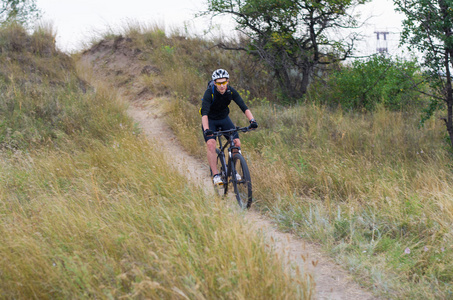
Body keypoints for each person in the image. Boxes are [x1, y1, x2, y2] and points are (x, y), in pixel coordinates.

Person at [201, 68, 258, 185]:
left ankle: (233, 171)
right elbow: (204, 114)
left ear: (227, 81)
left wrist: (252, 121)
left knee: (236, 143)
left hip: (224, 119)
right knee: (211, 144)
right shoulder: (209, 93)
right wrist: (207, 129)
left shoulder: (230, 91)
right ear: (215, 83)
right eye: (218, 83)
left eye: (224, 82)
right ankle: (216, 175)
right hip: (210, 120)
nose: (222, 85)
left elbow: (244, 106)